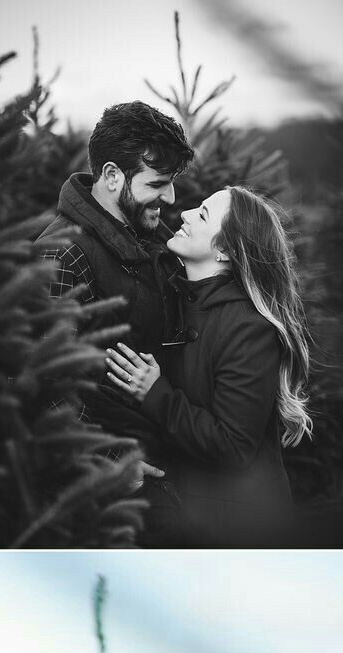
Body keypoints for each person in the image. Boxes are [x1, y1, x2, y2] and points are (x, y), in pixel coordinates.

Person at [105, 186, 313, 548]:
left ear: (225, 251)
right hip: (183, 518)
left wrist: (155, 393)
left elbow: (233, 446)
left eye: (201, 214)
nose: (184, 214)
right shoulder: (176, 304)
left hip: (239, 531)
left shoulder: (248, 328)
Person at [36, 101, 194, 535]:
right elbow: (40, 385)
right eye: (158, 183)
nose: (171, 197)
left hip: (163, 458)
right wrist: (109, 464)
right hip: (115, 492)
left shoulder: (150, 236)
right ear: (111, 177)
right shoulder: (62, 254)